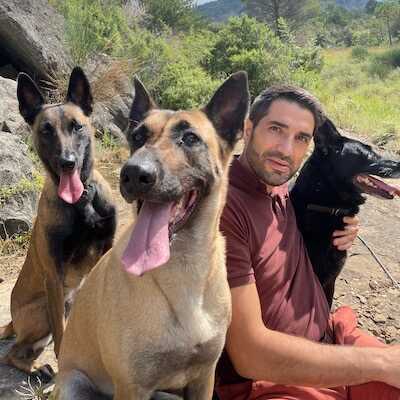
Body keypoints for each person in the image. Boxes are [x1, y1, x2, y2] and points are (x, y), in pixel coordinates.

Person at [215, 85, 400, 400]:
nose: (287, 149)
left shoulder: (278, 184)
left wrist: (340, 226)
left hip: (333, 339)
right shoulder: (223, 206)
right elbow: (249, 356)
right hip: (272, 379)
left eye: (302, 138)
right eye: (276, 129)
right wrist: (381, 363)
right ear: (247, 129)